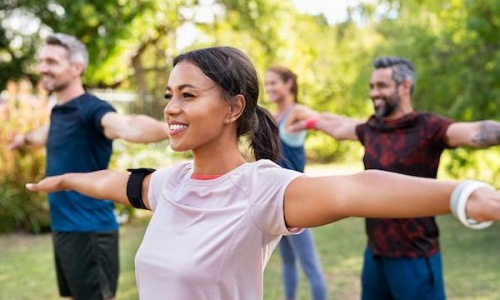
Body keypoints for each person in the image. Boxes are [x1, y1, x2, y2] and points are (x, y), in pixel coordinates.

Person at [25, 47, 500, 300]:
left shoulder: (262, 189)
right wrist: (65, 180)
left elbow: (360, 187)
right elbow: (113, 181)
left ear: (234, 107)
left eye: (188, 95)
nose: (171, 107)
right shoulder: (170, 184)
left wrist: (465, 196)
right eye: (170, 95)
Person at [284, 56, 500, 300]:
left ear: (405, 86)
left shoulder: (427, 127)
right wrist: (310, 122)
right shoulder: (371, 128)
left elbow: (475, 132)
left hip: (415, 257)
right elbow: (339, 126)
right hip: (375, 256)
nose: (374, 93)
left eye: (381, 86)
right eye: (372, 87)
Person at [9, 33, 169, 300]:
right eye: (42, 60)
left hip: (90, 231)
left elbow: (126, 126)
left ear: (76, 68)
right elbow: (44, 134)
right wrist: (22, 140)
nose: (43, 67)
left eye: (52, 61)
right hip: (65, 229)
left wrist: (169, 128)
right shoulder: (60, 111)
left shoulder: (93, 110)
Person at [264, 65, 327, 300]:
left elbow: (321, 120)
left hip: (297, 198)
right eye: (267, 83)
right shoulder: (272, 116)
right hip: (275, 200)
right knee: (288, 262)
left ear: (289, 83)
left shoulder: (296, 111)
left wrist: (306, 125)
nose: (269, 88)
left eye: (274, 83)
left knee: (309, 265)